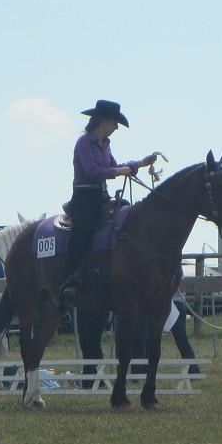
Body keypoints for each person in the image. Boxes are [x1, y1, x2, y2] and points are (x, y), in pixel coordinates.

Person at [60, 100, 157, 302]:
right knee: (84, 230)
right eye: (115, 123)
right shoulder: (84, 142)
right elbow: (92, 171)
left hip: (101, 196)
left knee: (125, 217)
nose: (115, 128)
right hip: (84, 198)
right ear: (104, 121)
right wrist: (118, 172)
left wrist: (140, 163)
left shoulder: (105, 145)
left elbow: (115, 166)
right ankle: (71, 278)